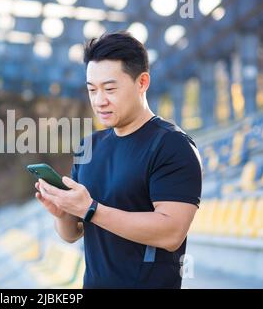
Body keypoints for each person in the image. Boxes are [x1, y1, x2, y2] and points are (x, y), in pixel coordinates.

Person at [35, 32, 202, 289]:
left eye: (110, 89)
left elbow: (171, 233)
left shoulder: (172, 145)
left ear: (142, 82)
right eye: (92, 90)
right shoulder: (89, 146)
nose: (99, 101)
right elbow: (72, 234)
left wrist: (91, 209)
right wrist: (63, 214)